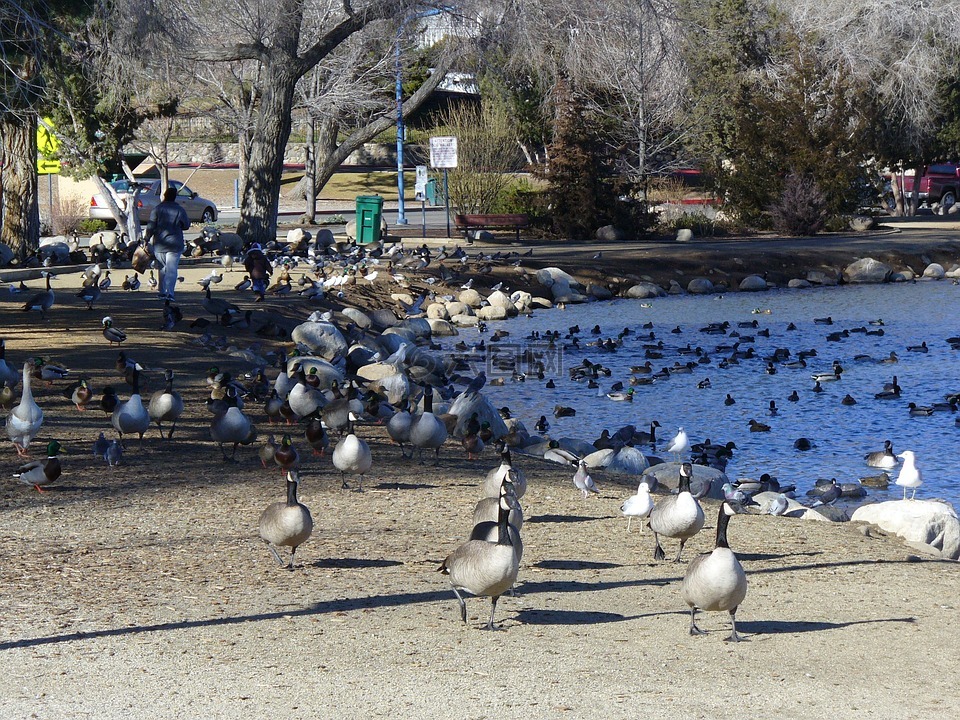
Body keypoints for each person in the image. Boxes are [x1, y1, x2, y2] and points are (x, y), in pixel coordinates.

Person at [144, 187, 190, 301]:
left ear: (164, 195)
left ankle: (162, 291)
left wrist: (146, 239)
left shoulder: (157, 209)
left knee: (162, 268)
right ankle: (170, 293)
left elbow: (151, 226)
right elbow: (186, 225)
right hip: (175, 243)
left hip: (159, 244)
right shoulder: (180, 210)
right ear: (175, 197)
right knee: (172, 269)